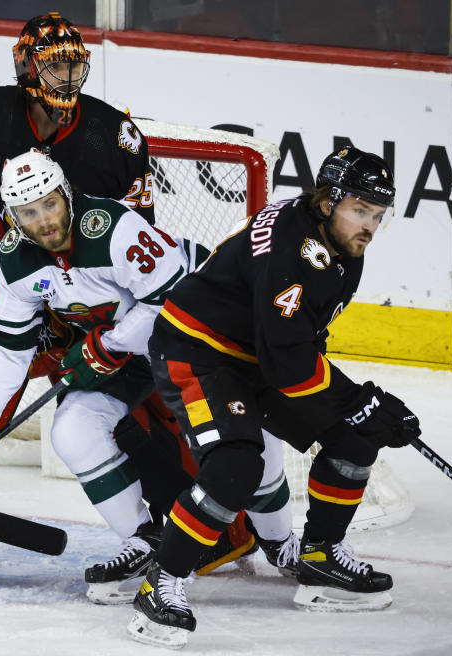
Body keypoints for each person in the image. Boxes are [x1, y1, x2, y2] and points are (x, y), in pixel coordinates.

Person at [0, 12, 257, 588]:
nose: (64, 76)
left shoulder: (114, 138)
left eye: (71, 63)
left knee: (138, 393)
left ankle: (213, 529)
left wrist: (110, 343)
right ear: (23, 64)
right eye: (51, 63)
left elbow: (136, 255)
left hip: (81, 302)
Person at [0, 148, 295, 603]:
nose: (44, 220)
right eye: (29, 212)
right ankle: (142, 541)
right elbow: (8, 349)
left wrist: (109, 343)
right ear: (12, 217)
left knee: (249, 431)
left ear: (66, 193)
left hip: (200, 331)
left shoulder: (114, 229)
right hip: (128, 350)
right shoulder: (12, 261)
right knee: (72, 429)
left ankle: (283, 544)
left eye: (50, 203)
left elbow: (174, 303)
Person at [127, 147, 422, 649]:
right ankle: (162, 583)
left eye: (377, 214)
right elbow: (288, 362)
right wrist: (358, 397)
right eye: (360, 210)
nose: (369, 225)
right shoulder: (291, 250)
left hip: (255, 356)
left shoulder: (340, 246)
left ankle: (321, 555)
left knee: (356, 435)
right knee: (235, 467)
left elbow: (300, 343)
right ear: (328, 202)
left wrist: (359, 409)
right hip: (196, 353)